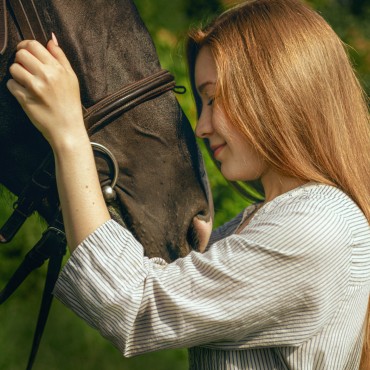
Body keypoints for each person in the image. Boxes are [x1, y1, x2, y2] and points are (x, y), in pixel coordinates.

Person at [6, 0, 370, 368]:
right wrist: (210, 249)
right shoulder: (282, 218)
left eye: (213, 99)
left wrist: (69, 135)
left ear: (278, 92)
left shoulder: (319, 224)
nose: (202, 127)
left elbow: (134, 306)